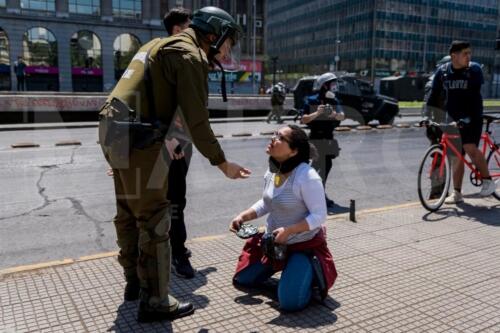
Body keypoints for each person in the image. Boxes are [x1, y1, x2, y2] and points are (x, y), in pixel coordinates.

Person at [98, 6, 250, 322]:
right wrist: (221, 163)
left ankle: (134, 283)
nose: (228, 49)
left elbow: (161, 99)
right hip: (140, 137)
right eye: (228, 42)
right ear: (214, 34)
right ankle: (154, 301)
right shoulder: (189, 55)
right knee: (154, 219)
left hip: (115, 129)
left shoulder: (157, 44)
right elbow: (196, 119)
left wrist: (173, 141)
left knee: (128, 211)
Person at [229, 125, 337, 312]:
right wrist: (243, 216)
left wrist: (290, 231)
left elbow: (319, 216)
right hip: (275, 245)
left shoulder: (307, 177)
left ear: (293, 151)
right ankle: (289, 271)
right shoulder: (273, 171)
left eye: (280, 137)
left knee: (289, 302)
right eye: (274, 134)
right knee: (243, 278)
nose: (273, 138)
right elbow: (267, 203)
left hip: (302, 246)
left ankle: (307, 272)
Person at [427, 40, 497, 203]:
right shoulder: (443, 72)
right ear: (454, 56)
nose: (469, 56)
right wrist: (427, 116)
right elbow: (433, 96)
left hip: (472, 116)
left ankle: (487, 181)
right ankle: (457, 193)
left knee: (469, 147)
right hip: (452, 119)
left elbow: (473, 98)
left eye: (469, 53)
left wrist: (466, 119)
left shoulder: (474, 70)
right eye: (465, 53)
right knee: (455, 156)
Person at [162, 7, 196, 279]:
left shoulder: (173, 57)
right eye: (189, 26)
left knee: (172, 200)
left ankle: (173, 248)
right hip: (170, 143)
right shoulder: (169, 58)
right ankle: (177, 253)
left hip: (175, 139)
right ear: (177, 30)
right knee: (174, 201)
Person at [301, 72, 345, 210]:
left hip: (328, 140)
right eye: (332, 83)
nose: (334, 86)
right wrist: (317, 113)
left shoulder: (334, 101)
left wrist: (333, 114)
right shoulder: (312, 100)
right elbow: (304, 119)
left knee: (324, 169)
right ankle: (312, 196)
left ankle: (317, 195)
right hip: (315, 139)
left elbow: (342, 117)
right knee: (315, 169)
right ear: (324, 85)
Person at [422, 55, 451, 199]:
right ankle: (437, 191)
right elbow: (429, 104)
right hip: (440, 124)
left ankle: (440, 190)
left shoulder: (433, 81)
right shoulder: (438, 81)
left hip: (436, 123)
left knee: (441, 157)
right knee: (443, 157)